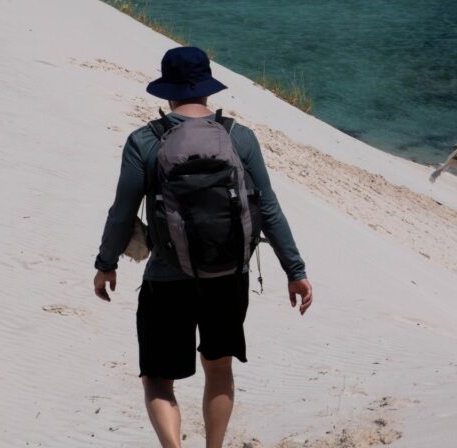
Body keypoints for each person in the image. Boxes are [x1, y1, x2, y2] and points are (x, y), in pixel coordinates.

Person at [92, 47, 313, 448]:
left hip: (166, 278)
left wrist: (106, 264)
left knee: (158, 377)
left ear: (167, 92)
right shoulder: (238, 137)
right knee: (219, 367)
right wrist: (294, 271)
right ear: (208, 88)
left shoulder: (144, 141)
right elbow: (269, 208)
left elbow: (121, 213)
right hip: (228, 276)